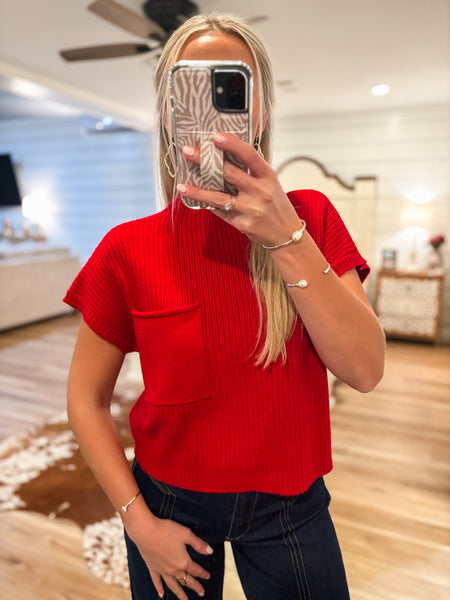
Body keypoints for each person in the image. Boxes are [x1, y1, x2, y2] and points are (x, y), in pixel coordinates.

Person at [65, 13, 385, 600]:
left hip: (291, 505)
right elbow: (85, 399)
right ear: (168, 113)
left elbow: (364, 371)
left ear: (260, 112)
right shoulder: (126, 249)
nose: (212, 106)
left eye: (232, 85)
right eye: (190, 87)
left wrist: (285, 238)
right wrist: (138, 523)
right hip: (167, 504)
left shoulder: (312, 217)